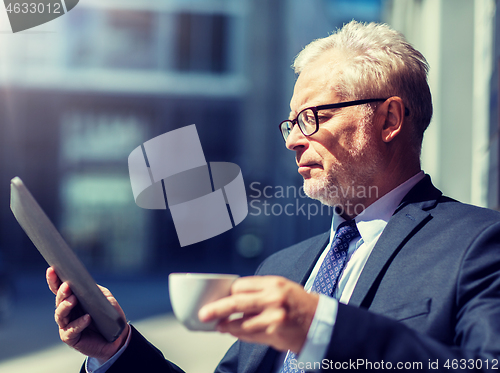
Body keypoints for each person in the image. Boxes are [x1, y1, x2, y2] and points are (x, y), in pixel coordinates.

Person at [47, 20, 500, 372]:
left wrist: (318, 327)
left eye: (312, 118)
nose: (292, 140)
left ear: (388, 119)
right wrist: (117, 349)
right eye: (291, 123)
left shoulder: (478, 247)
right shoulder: (284, 269)